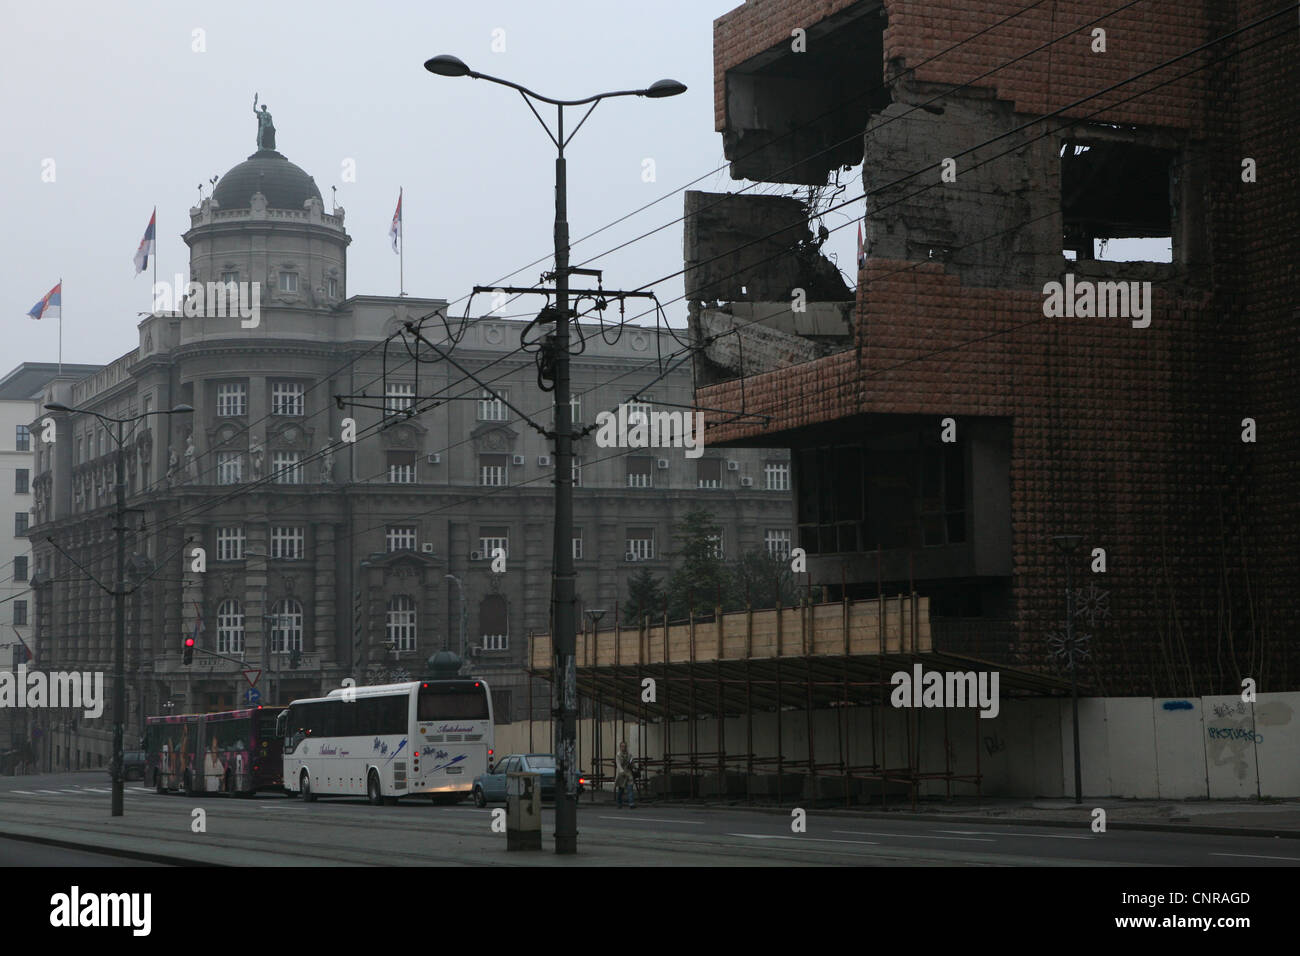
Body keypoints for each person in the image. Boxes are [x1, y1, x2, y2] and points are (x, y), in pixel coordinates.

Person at [615, 741, 637, 809]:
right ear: (620, 747)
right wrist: (621, 771)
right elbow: (618, 764)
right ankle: (619, 803)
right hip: (622, 774)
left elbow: (632, 762)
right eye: (622, 746)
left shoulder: (629, 755)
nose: (623, 748)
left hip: (628, 773)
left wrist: (634, 768)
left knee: (630, 788)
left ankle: (631, 804)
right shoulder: (618, 755)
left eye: (624, 746)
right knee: (621, 790)